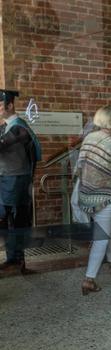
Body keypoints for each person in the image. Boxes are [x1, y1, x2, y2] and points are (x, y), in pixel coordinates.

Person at [77, 105, 111, 295]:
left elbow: (79, 166)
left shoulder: (88, 138)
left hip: (86, 194)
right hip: (104, 197)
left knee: (105, 229)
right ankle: (89, 279)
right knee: (101, 238)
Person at [0, 90, 41, 274]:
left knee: (16, 221)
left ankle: (18, 262)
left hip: (16, 180)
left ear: (10, 106)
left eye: (0, 105)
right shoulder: (7, 126)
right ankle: (12, 260)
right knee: (9, 221)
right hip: (7, 179)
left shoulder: (19, 128)